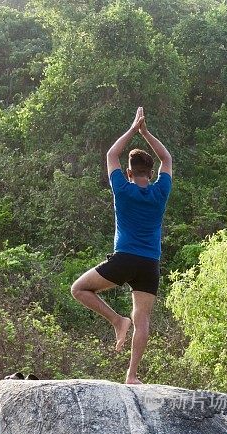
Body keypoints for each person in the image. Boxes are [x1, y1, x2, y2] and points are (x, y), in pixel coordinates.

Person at [71, 106, 172, 385]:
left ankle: (117, 321)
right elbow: (167, 157)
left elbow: (111, 154)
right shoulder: (161, 190)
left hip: (124, 258)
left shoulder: (123, 189)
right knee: (143, 320)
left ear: (128, 172)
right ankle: (132, 375)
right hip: (149, 263)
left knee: (78, 289)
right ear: (151, 173)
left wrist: (132, 128)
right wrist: (146, 132)